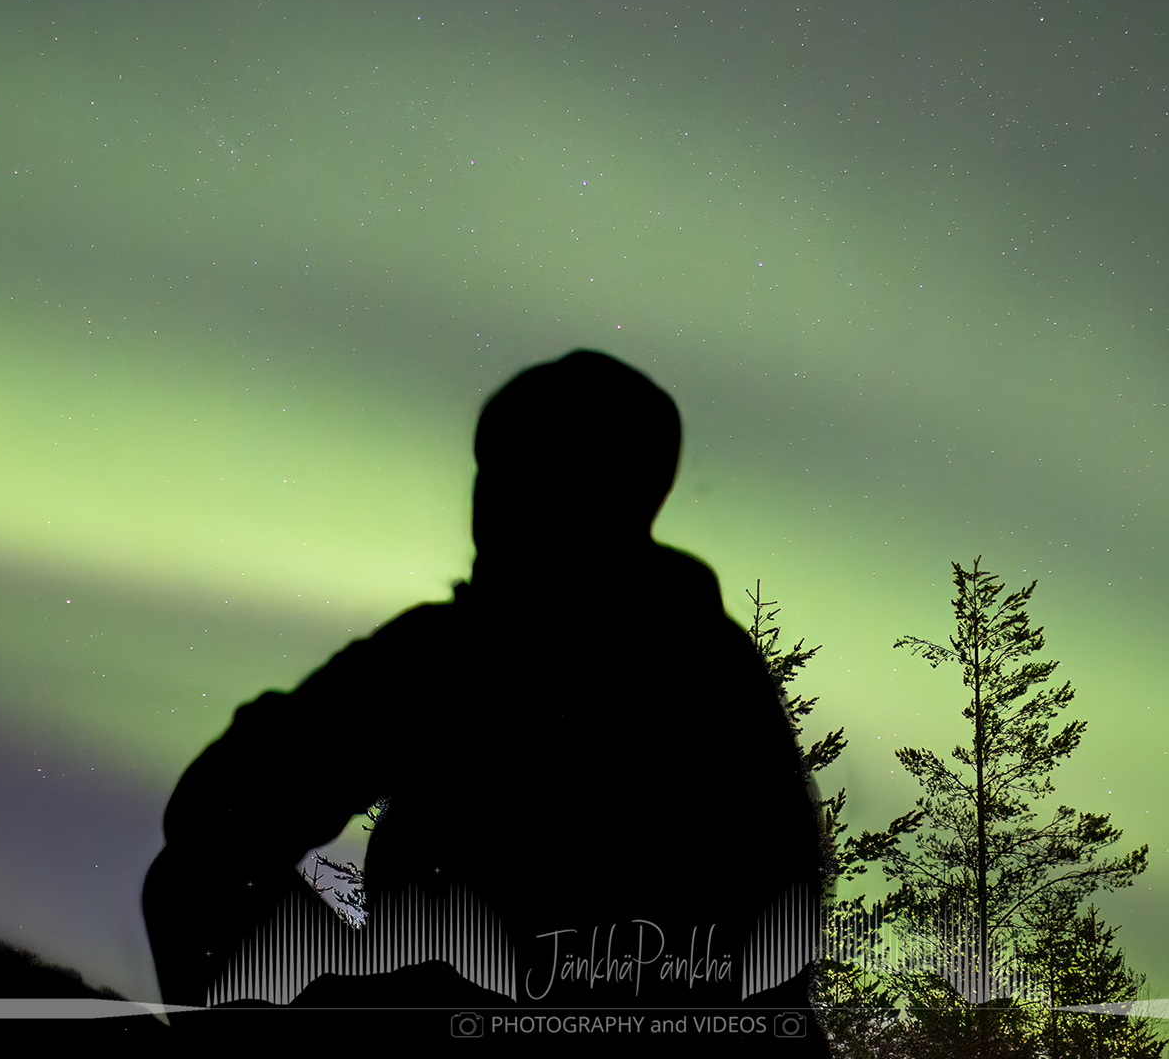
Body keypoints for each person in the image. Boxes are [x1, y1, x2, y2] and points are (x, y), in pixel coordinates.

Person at [144, 350, 828, 1049]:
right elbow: (214, 812)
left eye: (523, 471)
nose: (488, 501)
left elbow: (213, 815)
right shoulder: (713, 661)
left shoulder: (458, 654)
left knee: (192, 887)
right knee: (195, 882)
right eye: (493, 472)